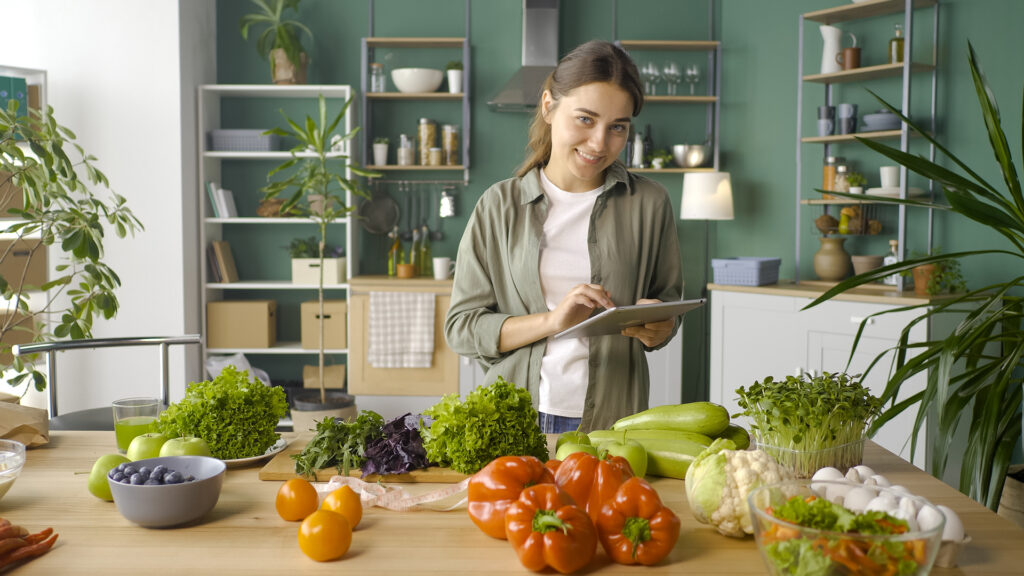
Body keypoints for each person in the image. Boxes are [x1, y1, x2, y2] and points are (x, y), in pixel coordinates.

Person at [444, 40, 683, 433]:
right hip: (513, 419)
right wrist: (553, 320)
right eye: (585, 119)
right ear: (548, 106)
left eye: (617, 127)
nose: (599, 144)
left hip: (614, 421)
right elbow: (463, 328)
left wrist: (660, 327)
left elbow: (667, 307)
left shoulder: (650, 203)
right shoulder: (498, 206)